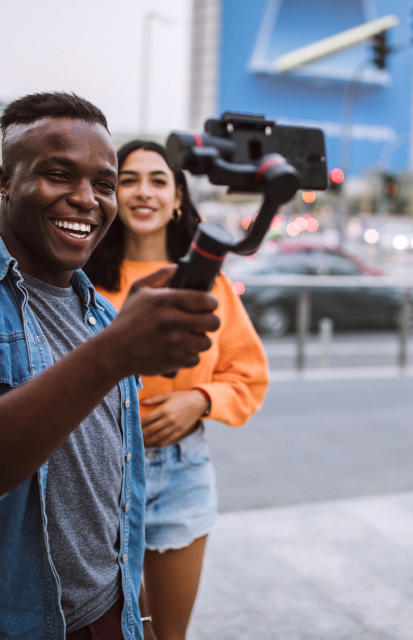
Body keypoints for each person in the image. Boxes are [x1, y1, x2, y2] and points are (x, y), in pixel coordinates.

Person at [0, 92, 220, 639]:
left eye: (104, 183)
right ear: (5, 180)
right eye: (59, 175)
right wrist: (113, 355)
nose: (87, 199)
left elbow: (108, 507)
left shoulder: (101, 316)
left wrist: (138, 617)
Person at [85, 140, 269, 640]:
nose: (143, 192)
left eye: (158, 180)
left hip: (179, 475)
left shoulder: (209, 285)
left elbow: (247, 375)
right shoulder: (79, 283)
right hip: (95, 474)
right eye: (127, 180)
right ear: (110, 194)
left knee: (167, 635)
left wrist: (200, 400)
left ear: (179, 199)